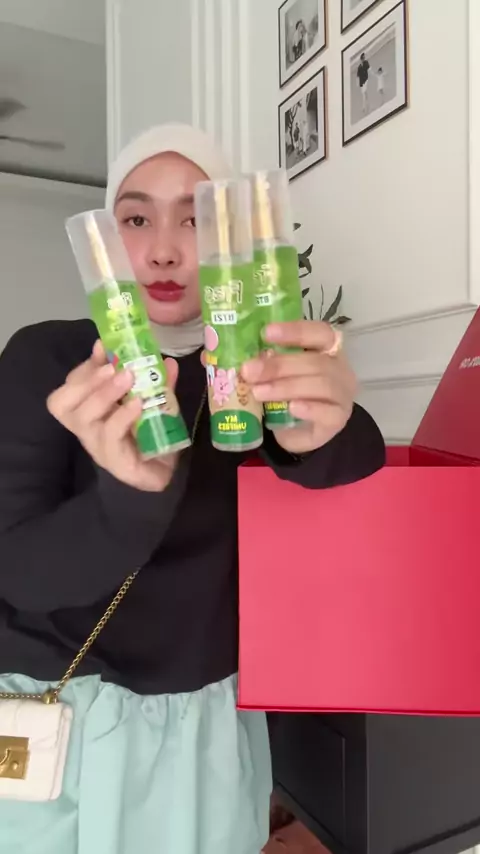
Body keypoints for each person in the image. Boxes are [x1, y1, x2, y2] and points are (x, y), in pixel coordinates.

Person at [0, 123, 385, 854]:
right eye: (136, 219)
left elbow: (349, 465)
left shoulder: (251, 371)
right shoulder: (47, 358)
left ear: (235, 236)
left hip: (200, 729)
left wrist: (323, 425)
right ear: (107, 240)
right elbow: (21, 573)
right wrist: (129, 493)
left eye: (197, 218)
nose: (165, 250)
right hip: (55, 723)